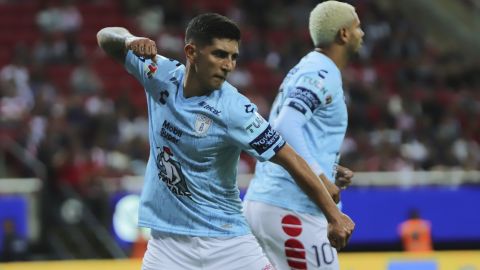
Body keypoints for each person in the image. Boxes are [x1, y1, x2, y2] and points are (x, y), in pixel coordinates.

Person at [97, 13, 354, 270]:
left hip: (228, 243)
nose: (228, 65)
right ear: (191, 51)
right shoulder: (158, 74)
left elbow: (289, 157)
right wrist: (130, 39)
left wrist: (333, 215)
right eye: (220, 54)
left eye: (233, 57)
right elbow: (106, 37)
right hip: (167, 245)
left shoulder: (234, 110)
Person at [244, 1, 364, 269]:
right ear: (344, 34)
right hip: (292, 209)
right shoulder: (321, 72)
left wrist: (326, 168)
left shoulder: (308, 68)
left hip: (270, 202)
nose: (362, 34)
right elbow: (285, 125)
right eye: (358, 27)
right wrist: (320, 178)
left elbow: (291, 128)